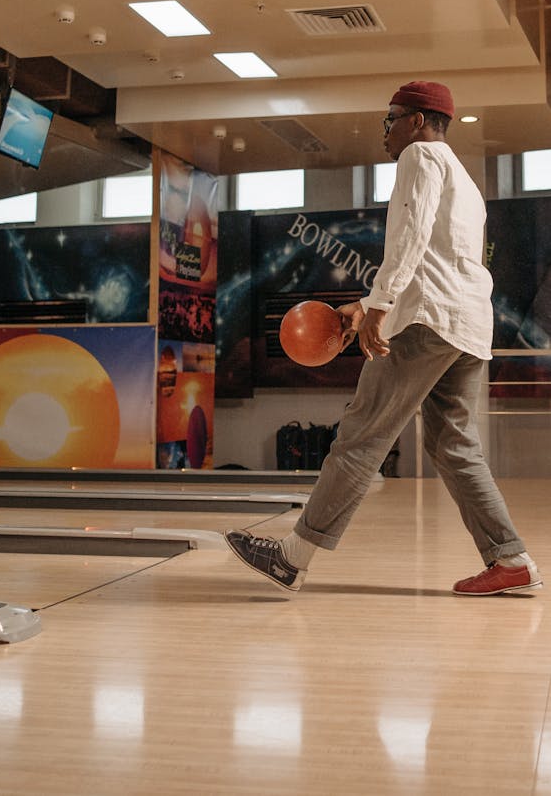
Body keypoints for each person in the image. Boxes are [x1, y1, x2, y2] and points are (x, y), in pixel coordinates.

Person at [226, 80, 542, 597]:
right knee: (454, 446)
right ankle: (510, 558)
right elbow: (437, 257)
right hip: (466, 326)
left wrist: (379, 310)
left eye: (389, 119)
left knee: (360, 436)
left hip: (427, 323)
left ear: (417, 120)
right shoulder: (462, 177)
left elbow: (410, 238)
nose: (385, 132)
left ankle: (292, 556)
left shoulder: (420, 157)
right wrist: (366, 303)